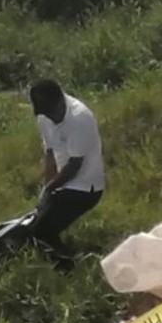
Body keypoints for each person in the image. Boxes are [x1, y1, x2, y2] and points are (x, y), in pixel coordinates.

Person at [28, 78, 106, 255]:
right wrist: (46, 191)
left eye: (48, 112)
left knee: (41, 232)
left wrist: (49, 189)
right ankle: (75, 251)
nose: (45, 117)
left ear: (58, 102)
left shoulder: (79, 118)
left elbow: (74, 165)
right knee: (35, 226)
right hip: (63, 184)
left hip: (86, 189)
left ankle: (73, 262)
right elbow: (50, 152)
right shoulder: (44, 116)